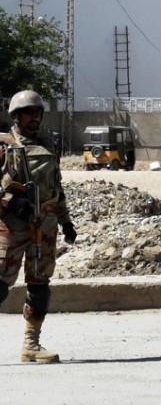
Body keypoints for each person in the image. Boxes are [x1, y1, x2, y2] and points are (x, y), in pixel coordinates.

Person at [0, 90, 77, 363]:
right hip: (12, 226)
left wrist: (66, 222)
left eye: (38, 113)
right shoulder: (5, 145)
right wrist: (11, 201)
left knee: (40, 284)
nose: (35, 118)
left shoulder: (46, 143)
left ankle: (31, 345)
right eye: (29, 113)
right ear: (16, 116)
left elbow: (56, 187)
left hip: (44, 227)